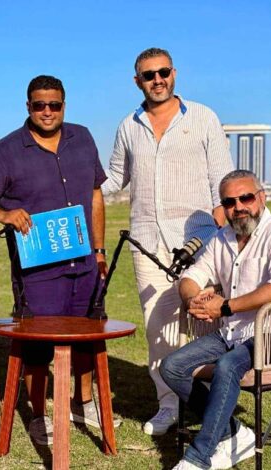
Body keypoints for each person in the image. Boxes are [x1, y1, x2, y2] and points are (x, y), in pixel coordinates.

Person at [0, 75, 113, 446]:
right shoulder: (6, 151)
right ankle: (38, 414)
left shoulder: (83, 138)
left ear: (64, 105)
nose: (47, 112)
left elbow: (95, 195)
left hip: (85, 264)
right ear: (28, 106)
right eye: (39, 105)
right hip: (38, 272)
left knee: (87, 337)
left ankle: (83, 403)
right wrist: (4, 215)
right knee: (36, 346)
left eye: (54, 105)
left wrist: (99, 250)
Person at [101, 47, 234, 435]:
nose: (157, 80)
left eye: (163, 72)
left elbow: (222, 180)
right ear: (137, 81)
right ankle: (168, 405)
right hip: (147, 242)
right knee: (158, 327)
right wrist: (70, 188)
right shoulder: (129, 126)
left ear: (174, 73)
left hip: (199, 239)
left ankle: (212, 401)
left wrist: (222, 232)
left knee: (205, 322)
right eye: (148, 75)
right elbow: (114, 178)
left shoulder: (203, 117)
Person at [160, 170, 271, 470]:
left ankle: (197, 458)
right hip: (234, 332)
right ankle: (233, 432)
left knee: (227, 366)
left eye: (245, 198)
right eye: (229, 202)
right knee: (172, 366)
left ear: (261, 198)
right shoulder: (221, 238)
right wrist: (192, 300)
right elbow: (191, 277)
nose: (238, 207)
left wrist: (225, 307)